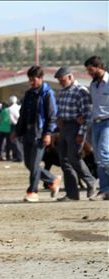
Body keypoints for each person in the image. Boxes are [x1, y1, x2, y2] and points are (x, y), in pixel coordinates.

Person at [12, 66, 61, 203]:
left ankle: (33, 191)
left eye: (33, 80)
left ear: (41, 78)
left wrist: (48, 133)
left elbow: (52, 116)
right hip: (27, 132)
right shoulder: (28, 94)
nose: (31, 82)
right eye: (30, 80)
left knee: (34, 164)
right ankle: (52, 180)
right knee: (29, 163)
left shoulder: (47, 93)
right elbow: (22, 115)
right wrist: (16, 131)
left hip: (40, 133)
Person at [53, 66, 96, 201]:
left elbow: (87, 114)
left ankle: (91, 181)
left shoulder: (81, 91)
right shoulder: (63, 92)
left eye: (62, 79)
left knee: (73, 158)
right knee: (64, 161)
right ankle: (72, 193)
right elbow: (60, 110)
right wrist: (58, 120)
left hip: (75, 127)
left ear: (70, 77)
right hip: (64, 128)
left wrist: (81, 133)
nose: (60, 82)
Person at [85, 56, 109, 201]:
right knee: (98, 158)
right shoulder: (93, 85)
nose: (89, 72)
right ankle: (105, 190)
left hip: (108, 122)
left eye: (91, 69)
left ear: (99, 66)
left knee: (104, 154)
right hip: (96, 123)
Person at [6, 96, 23, 162]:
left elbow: (12, 119)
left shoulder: (10, 108)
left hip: (14, 125)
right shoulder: (19, 107)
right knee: (20, 142)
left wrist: (16, 124)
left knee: (15, 142)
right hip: (20, 125)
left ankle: (19, 157)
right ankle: (19, 156)